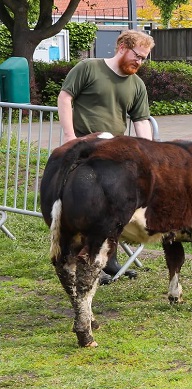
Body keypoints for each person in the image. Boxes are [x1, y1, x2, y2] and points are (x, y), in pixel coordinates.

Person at [58, 29, 154, 282]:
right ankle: (80, 260)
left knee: (115, 210)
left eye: (144, 59)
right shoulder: (88, 68)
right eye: (138, 55)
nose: (140, 62)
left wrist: (150, 153)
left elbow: (141, 120)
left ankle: (107, 261)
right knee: (85, 209)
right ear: (122, 47)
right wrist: (69, 136)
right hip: (83, 148)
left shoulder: (137, 85)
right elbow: (65, 97)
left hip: (114, 154)